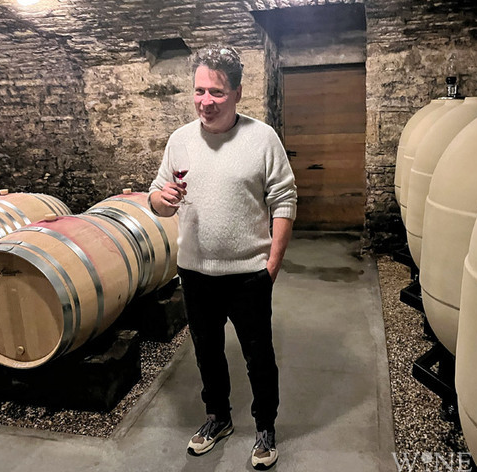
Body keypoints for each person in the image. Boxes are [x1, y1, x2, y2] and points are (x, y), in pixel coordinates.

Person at [148, 44, 297, 470]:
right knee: (207, 353)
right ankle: (219, 417)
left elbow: (284, 199)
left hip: (249, 274)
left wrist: (272, 265)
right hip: (195, 272)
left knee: (258, 357)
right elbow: (156, 197)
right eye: (199, 91)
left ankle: (265, 426)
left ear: (237, 92)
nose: (205, 101)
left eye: (216, 92)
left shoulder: (262, 138)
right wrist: (162, 200)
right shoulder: (179, 140)